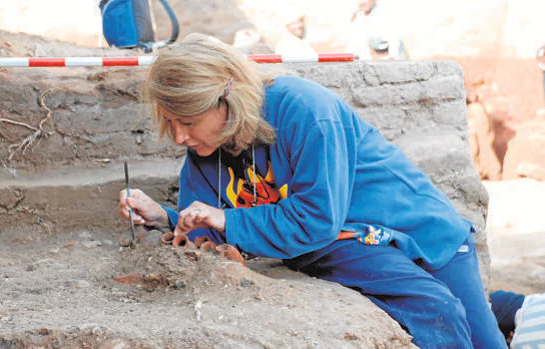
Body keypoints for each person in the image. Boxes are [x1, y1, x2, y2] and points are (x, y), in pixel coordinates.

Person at [118, 33, 506, 348]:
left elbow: (315, 218)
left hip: (422, 231)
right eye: (170, 122)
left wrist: (224, 219)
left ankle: (509, 309)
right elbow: (211, 232)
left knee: (477, 335)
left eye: (187, 121)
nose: (179, 136)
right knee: (439, 308)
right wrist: (166, 217)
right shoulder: (203, 153)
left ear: (226, 102)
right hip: (349, 241)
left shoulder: (305, 110)